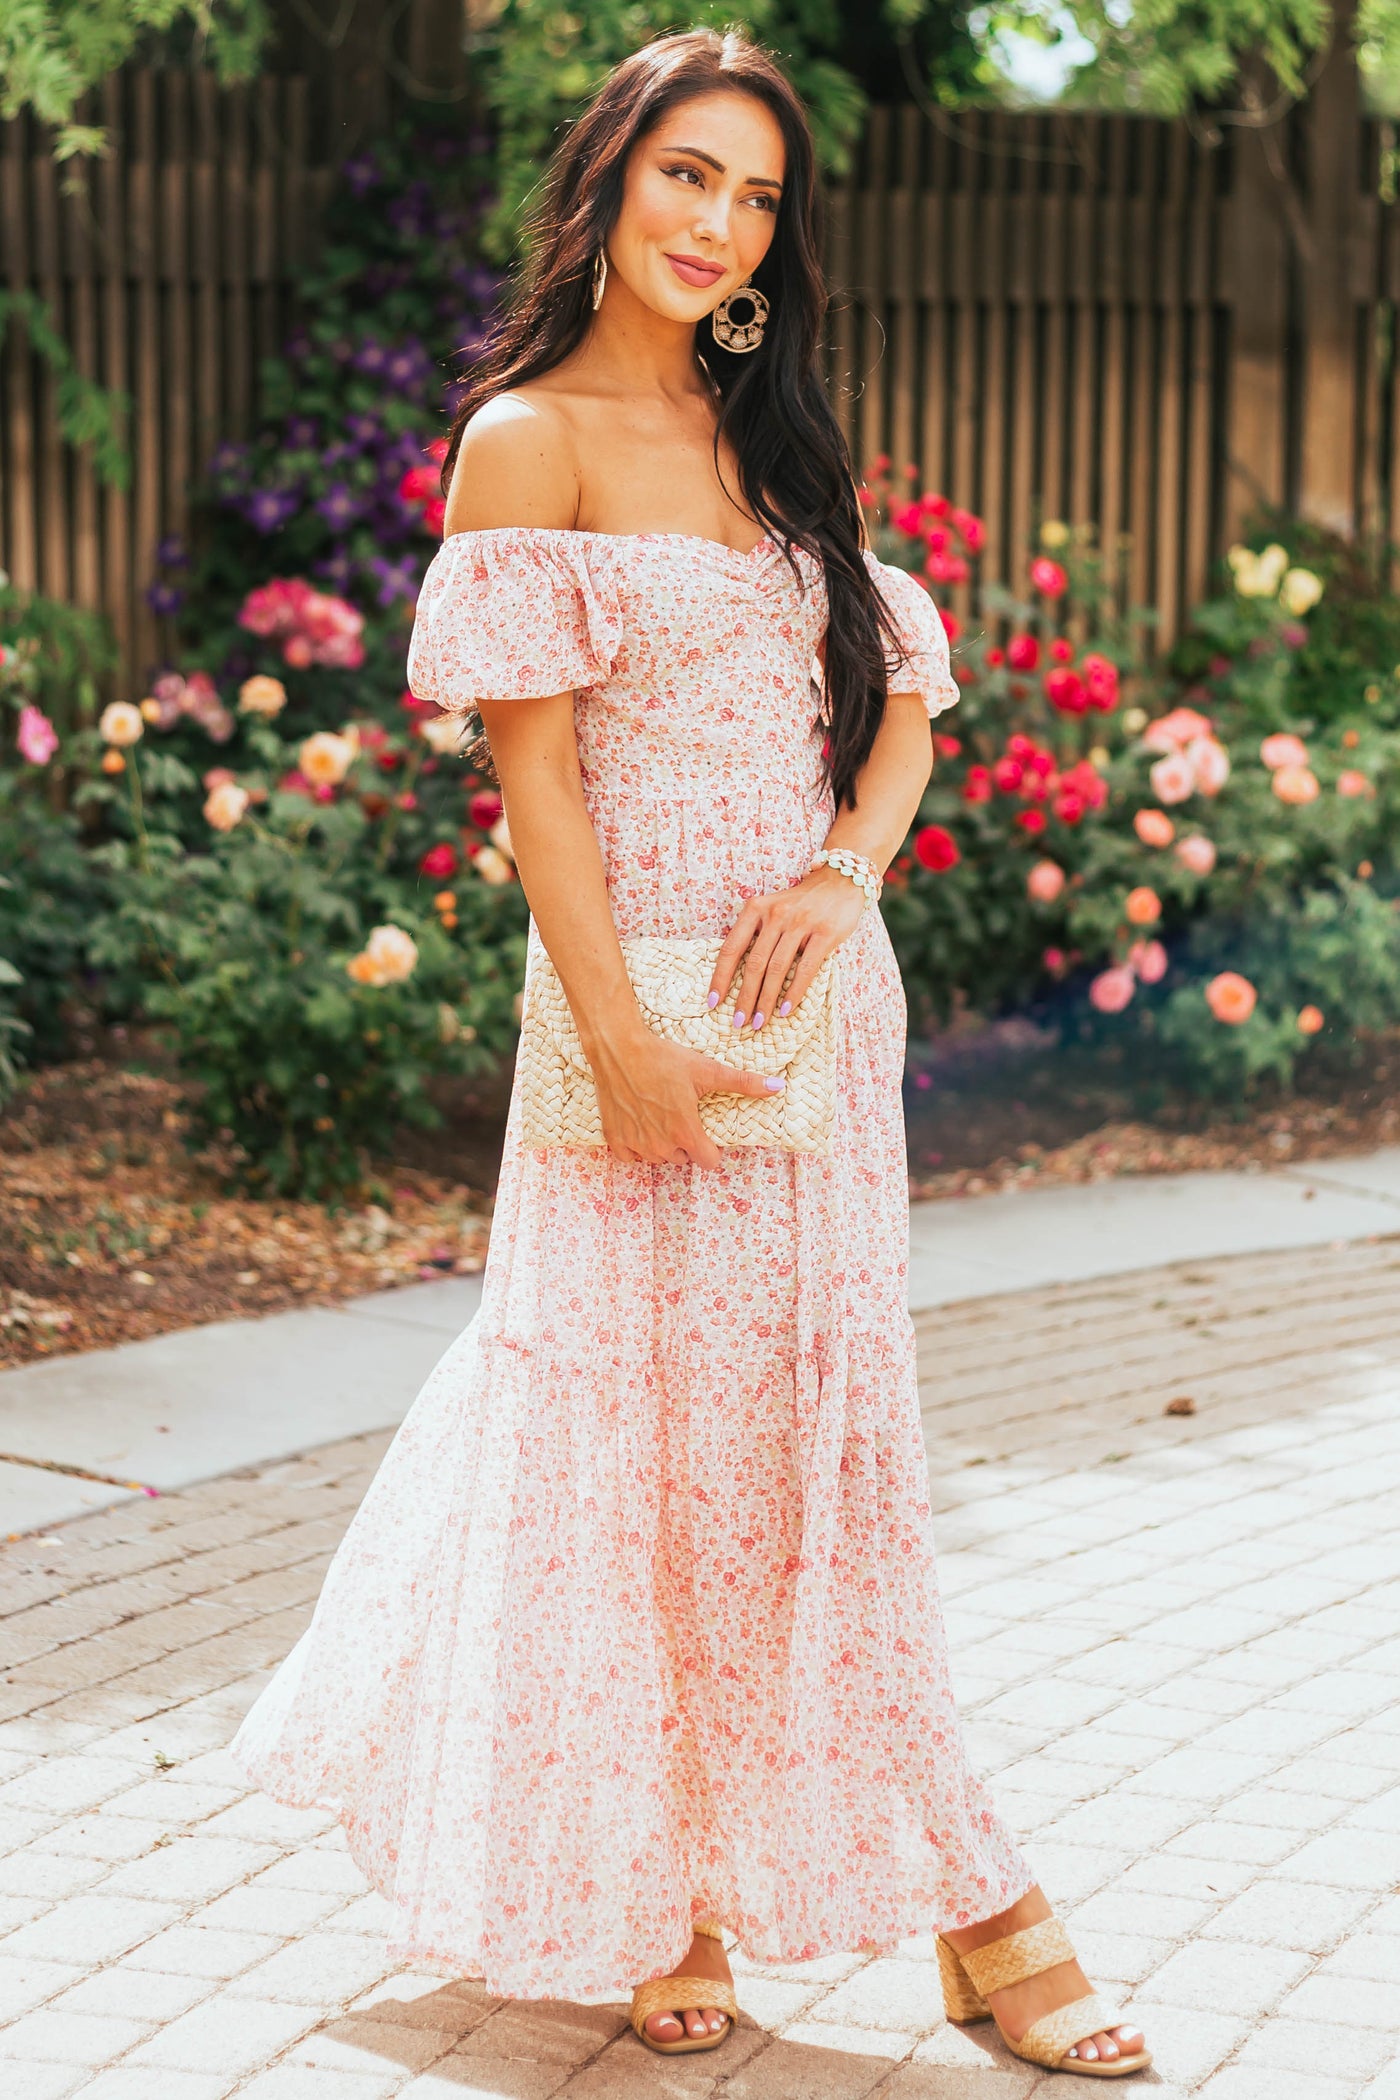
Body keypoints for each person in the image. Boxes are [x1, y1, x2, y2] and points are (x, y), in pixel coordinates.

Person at [232, 28, 1150, 2079]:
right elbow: (535, 793)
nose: (714, 218)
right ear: (612, 180)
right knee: (622, 1452)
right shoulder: (523, 439)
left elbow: (901, 696)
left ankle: (960, 1902)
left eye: (750, 195)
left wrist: (843, 868)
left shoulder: (777, 440)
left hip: (816, 1016)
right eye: (684, 173)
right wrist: (623, 1042)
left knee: (816, 1464)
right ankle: (699, 1899)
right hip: (625, 1012)